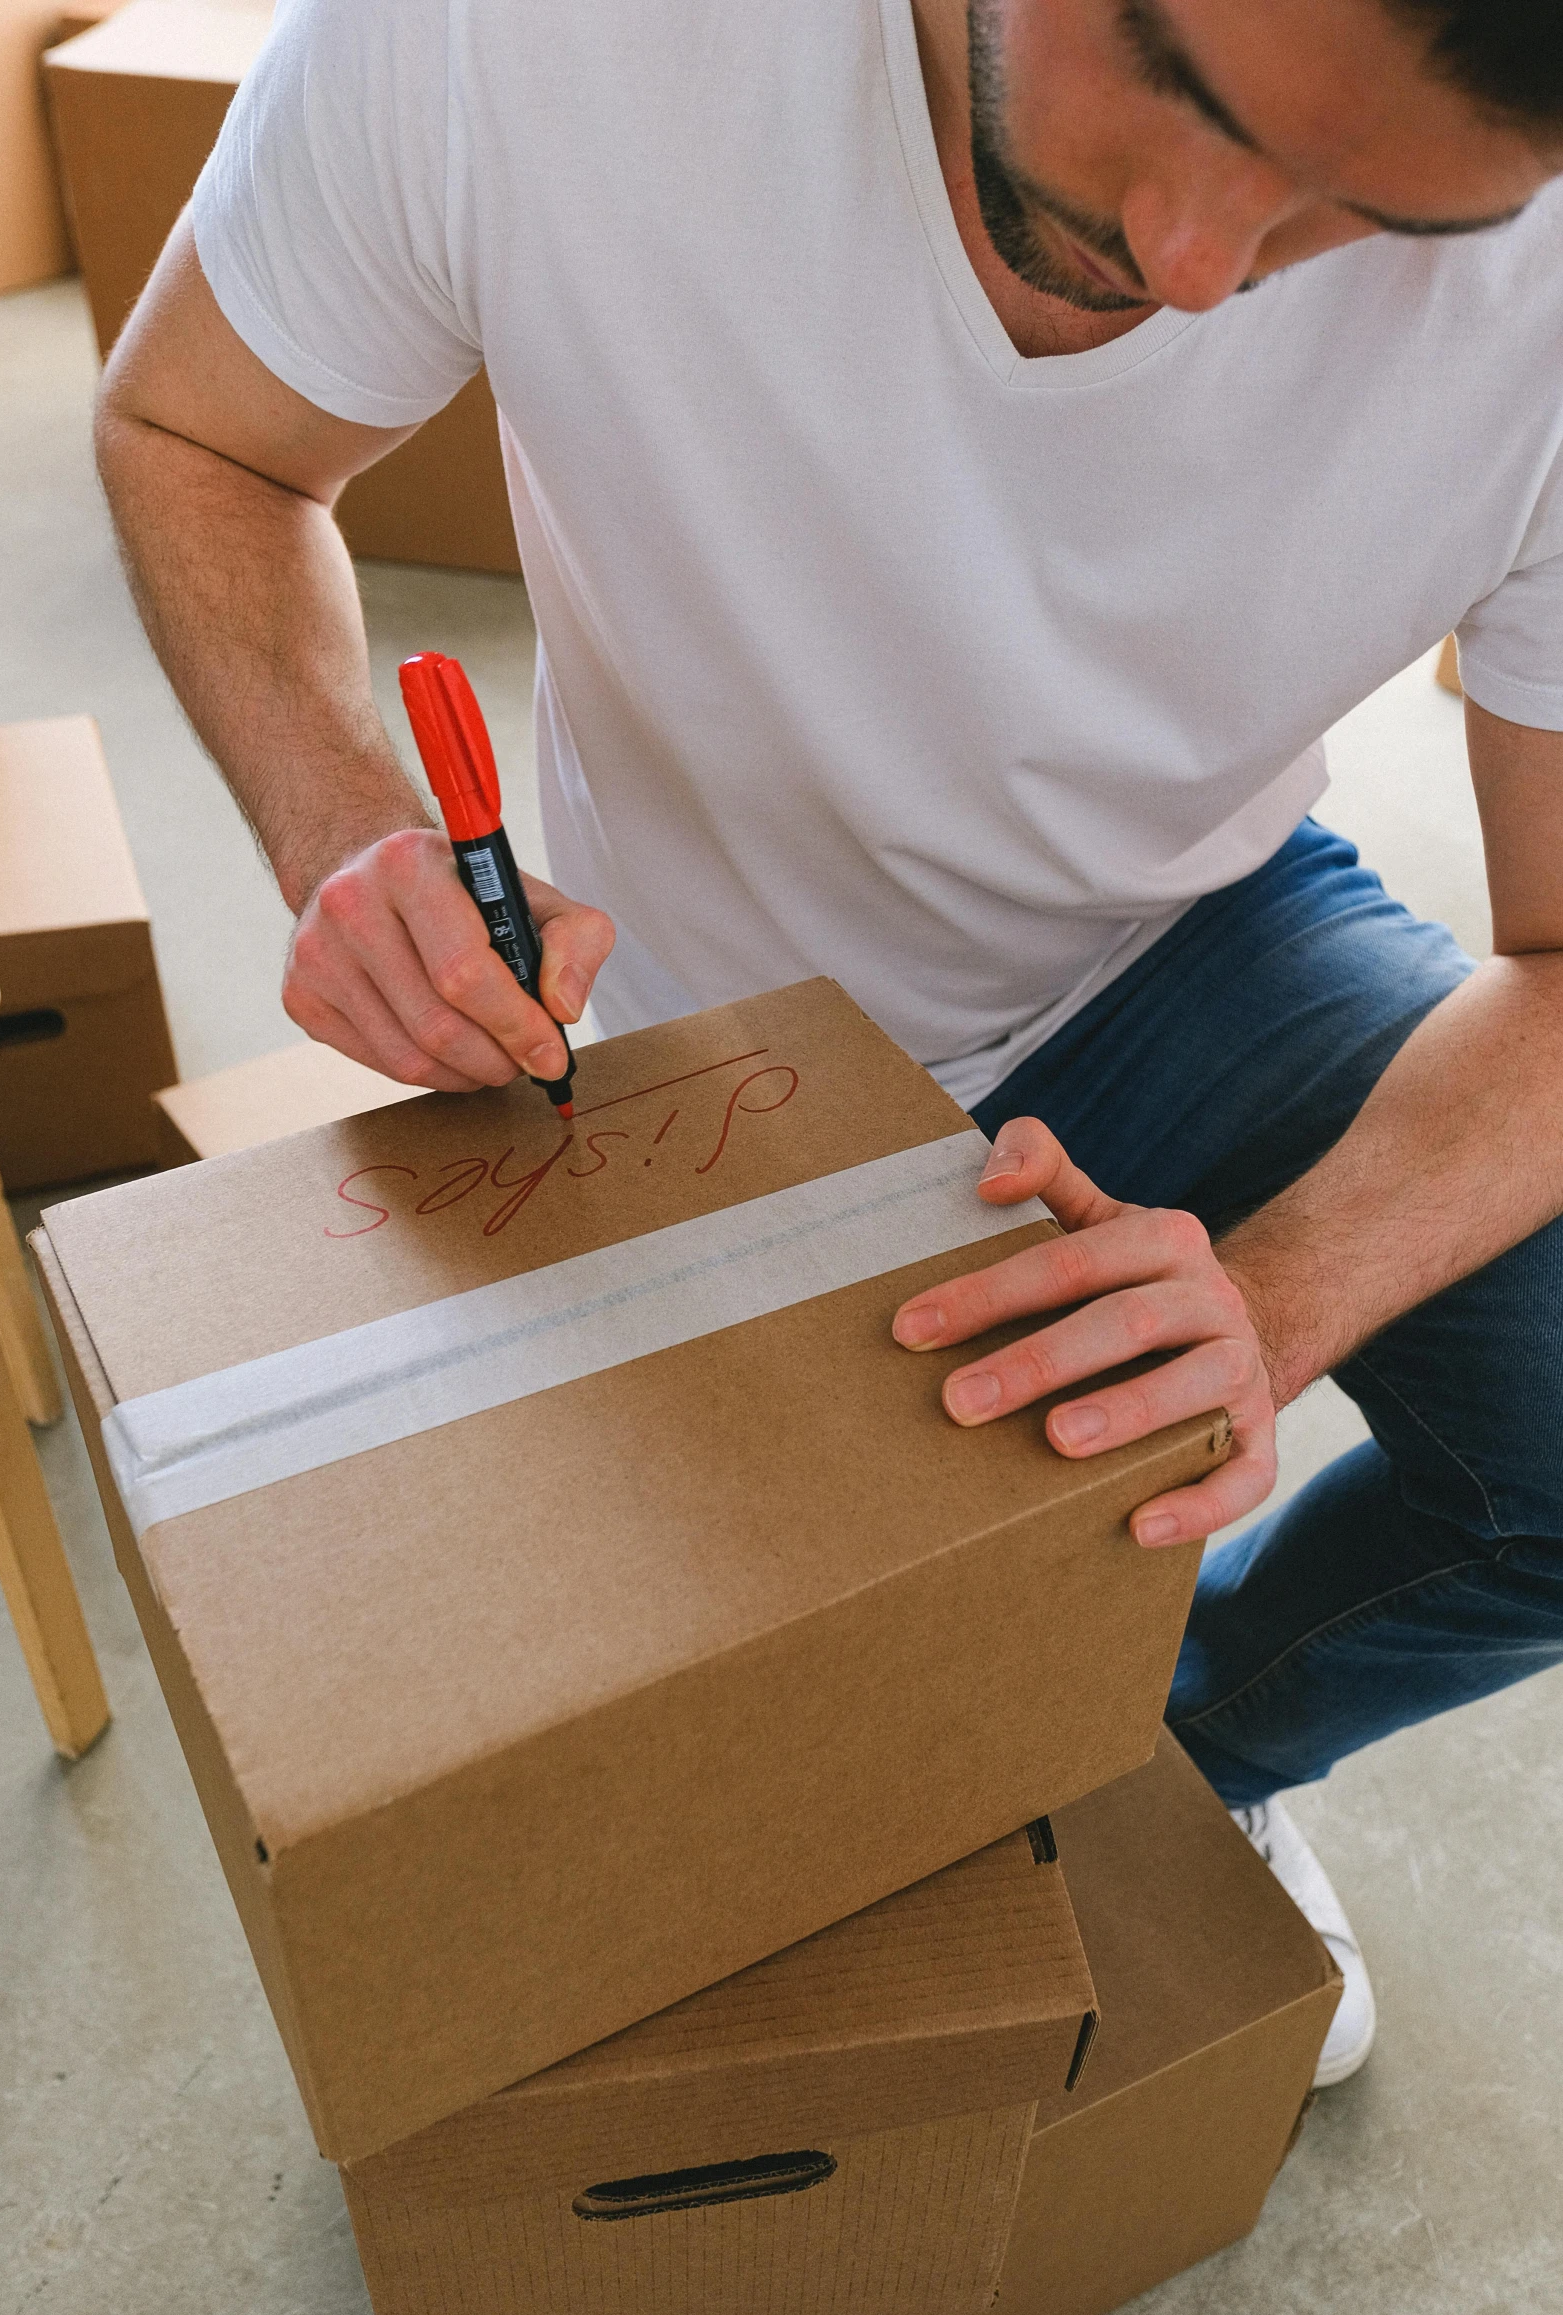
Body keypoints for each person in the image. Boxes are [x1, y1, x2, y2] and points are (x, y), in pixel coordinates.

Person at [96, 0, 1563, 2090]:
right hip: (677, 1022)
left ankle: (1121, 1751)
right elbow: (200, 437)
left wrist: (1274, 1293)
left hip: (1184, 928)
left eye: (1374, 215)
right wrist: (348, 838)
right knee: (608, 1712)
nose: (1199, 264)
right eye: (1173, 78)